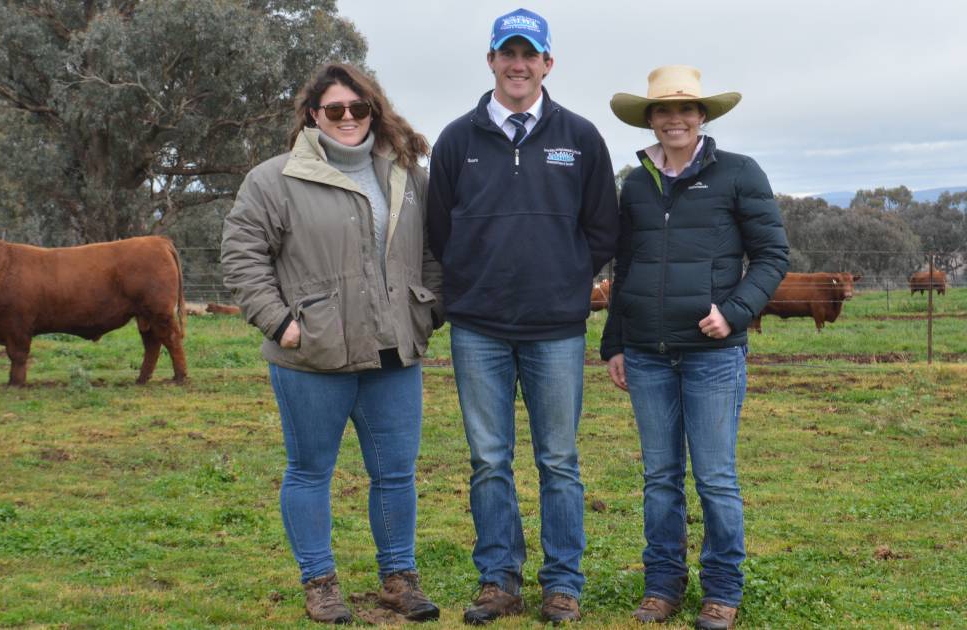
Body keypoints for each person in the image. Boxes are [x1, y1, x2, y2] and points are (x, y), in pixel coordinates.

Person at [221, 62, 443, 624]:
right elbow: (242, 255)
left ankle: (399, 578)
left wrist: (428, 309)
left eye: (358, 108)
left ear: (374, 110)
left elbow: (437, 252)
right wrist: (279, 322)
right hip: (311, 354)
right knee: (309, 470)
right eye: (334, 109)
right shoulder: (274, 179)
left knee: (395, 472)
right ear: (313, 115)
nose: (347, 118)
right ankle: (319, 581)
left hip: (394, 353)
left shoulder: (408, 175)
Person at [426, 8, 619, 625]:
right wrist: (471, 282)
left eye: (528, 55)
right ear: (490, 62)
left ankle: (564, 582)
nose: (518, 65)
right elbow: (438, 231)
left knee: (558, 460)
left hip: (555, 331)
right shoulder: (457, 140)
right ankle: (498, 579)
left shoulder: (581, 137)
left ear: (547, 64)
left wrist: (563, 281)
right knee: (488, 459)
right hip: (478, 327)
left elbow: (601, 229)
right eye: (506, 54)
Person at [601, 65, 789, 629]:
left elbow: (773, 256)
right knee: (660, 476)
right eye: (663, 110)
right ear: (650, 119)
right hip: (647, 353)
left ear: (702, 116)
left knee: (714, 477)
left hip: (712, 356)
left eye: (686, 109)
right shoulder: (634, 183)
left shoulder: (738, 173)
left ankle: (722, 590)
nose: (675, 119)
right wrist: (615, 341)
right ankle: (662, 585)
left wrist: (733, 314)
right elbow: (625, 265)